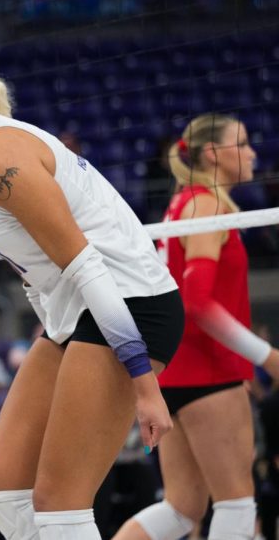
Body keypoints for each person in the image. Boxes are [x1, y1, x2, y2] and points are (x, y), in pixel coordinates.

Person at [0, 26, 182, 540]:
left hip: (129, 304)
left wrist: (144, 385)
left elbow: (88, 267)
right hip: (76, 313)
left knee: (61, 504)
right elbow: (36, 277)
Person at [113, 114, 277, 540]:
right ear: (212, 154)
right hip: (209, 370)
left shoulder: (181, 203)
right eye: (241, 143)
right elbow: (199, 303)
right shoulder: (208, 203)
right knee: (237, 502)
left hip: (176, 370)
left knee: (182, 509)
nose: (252, 152)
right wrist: (268, 356)